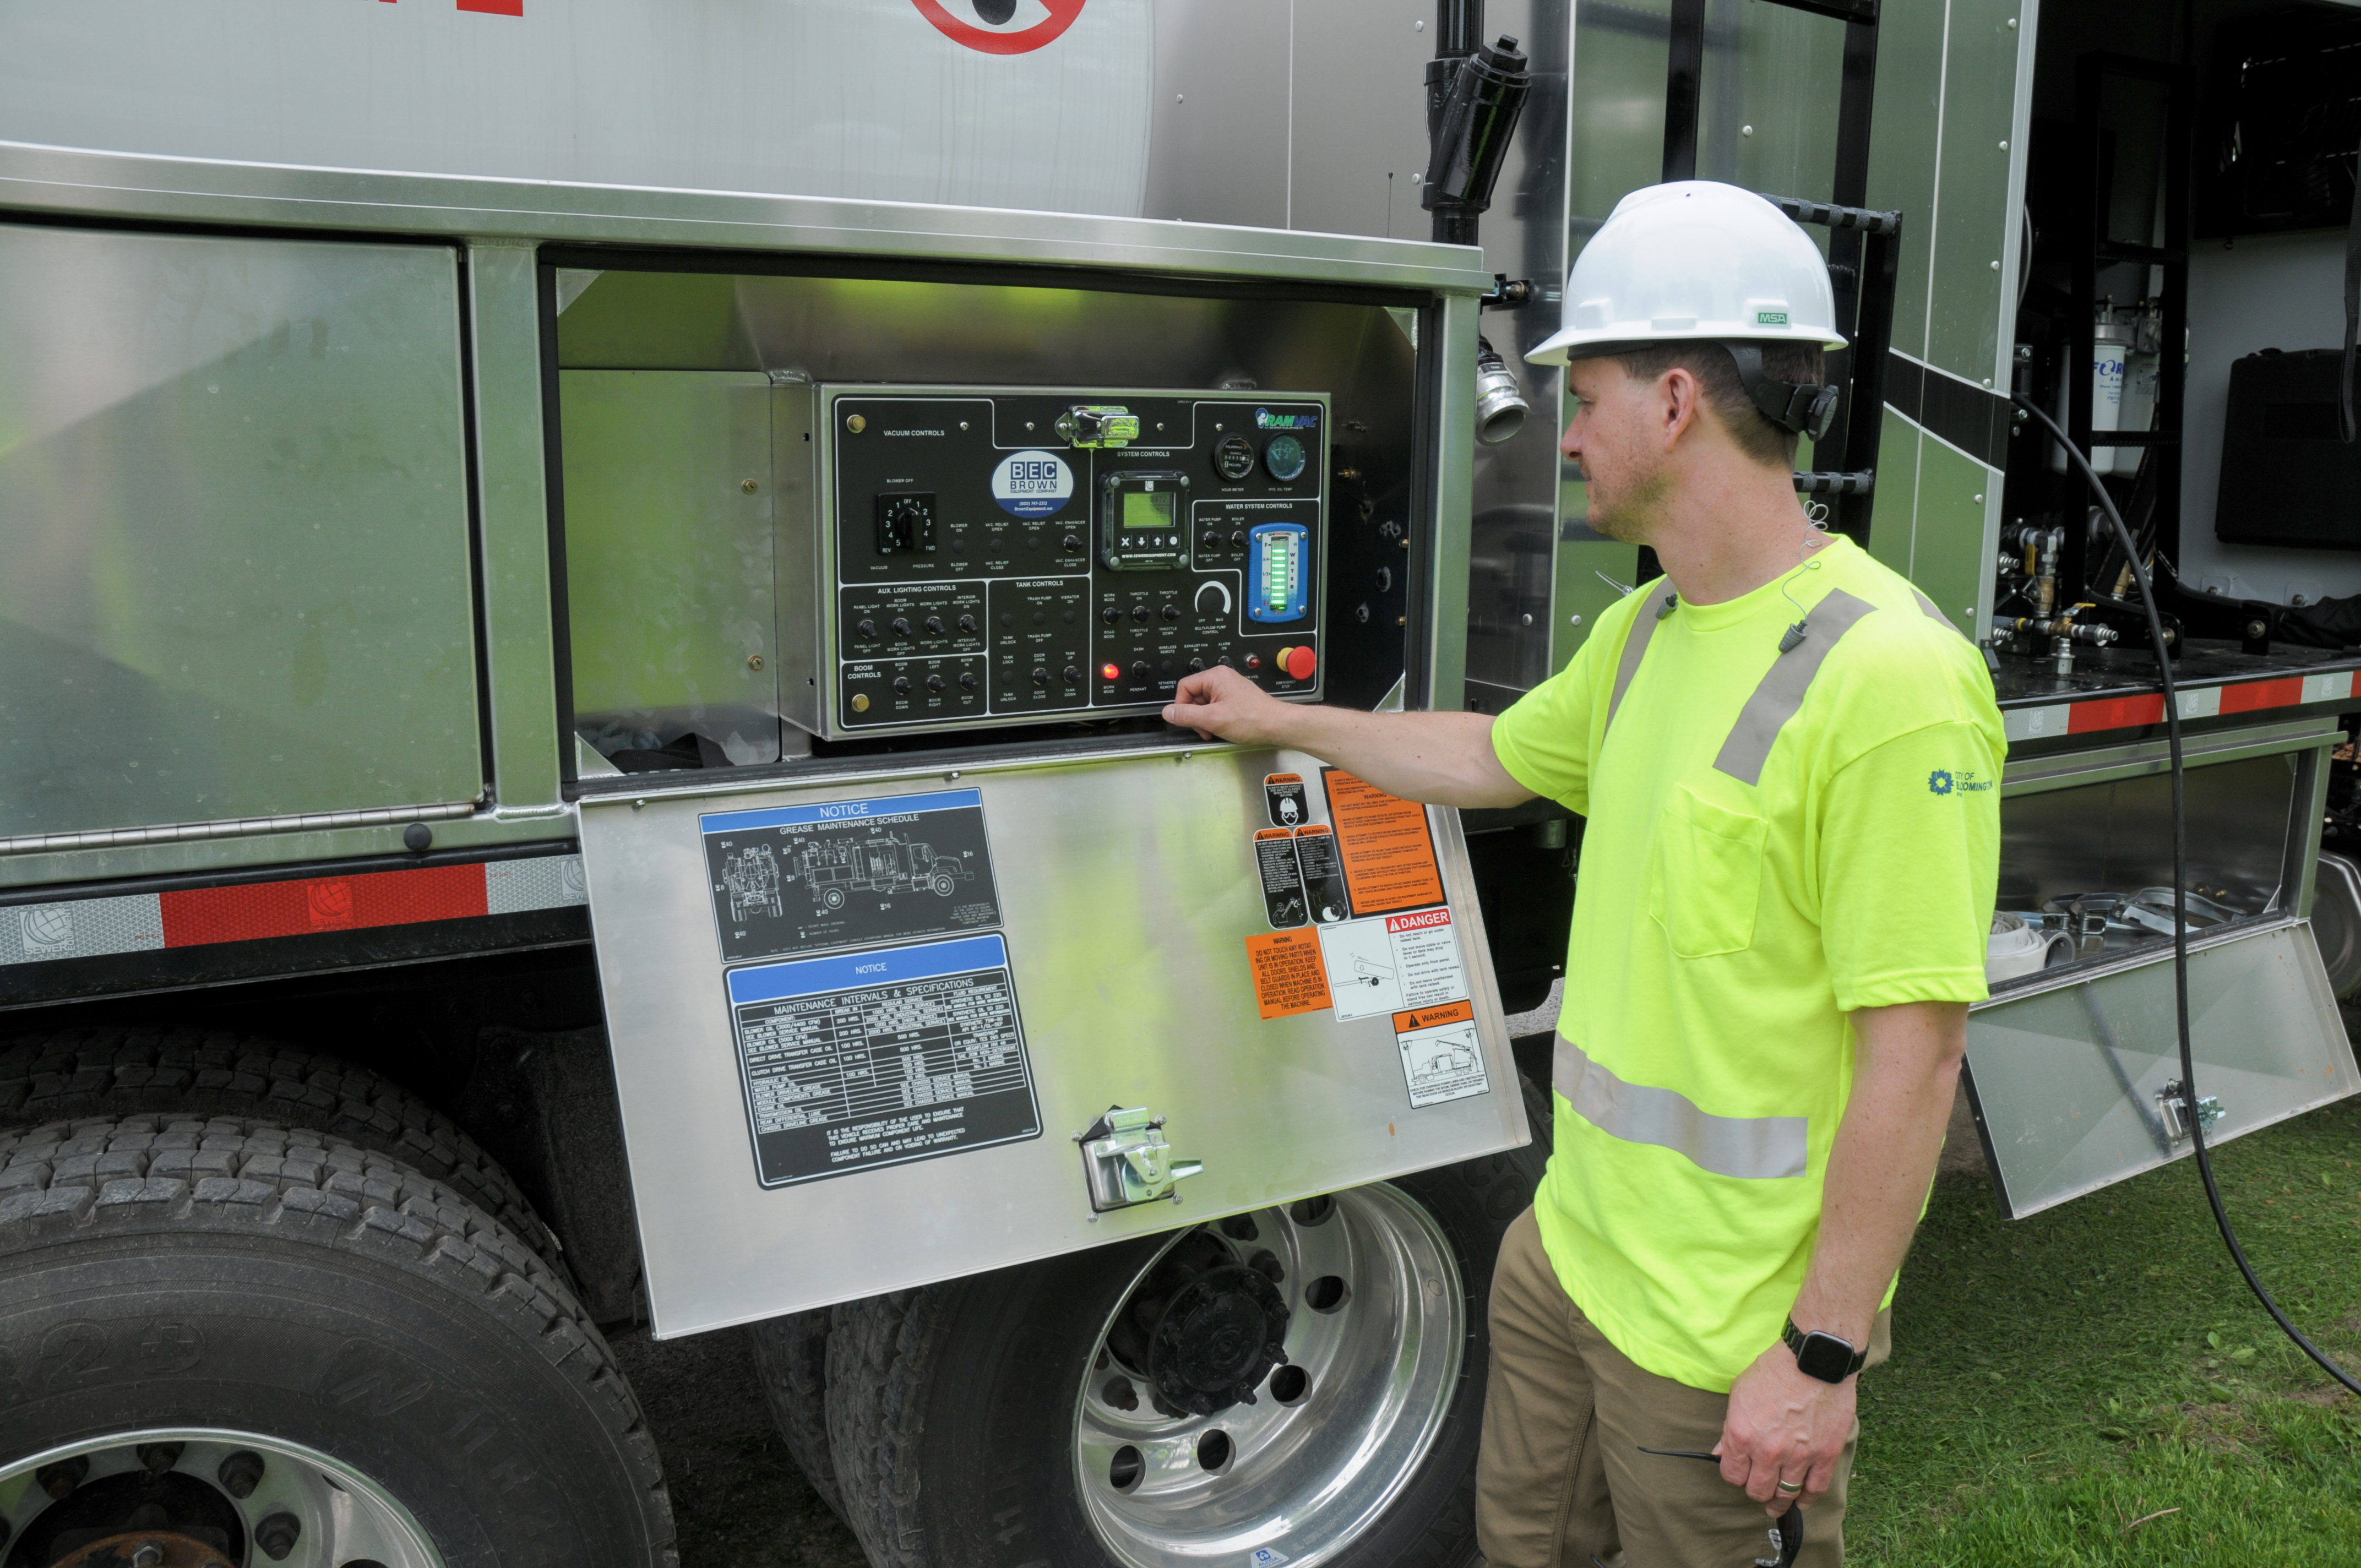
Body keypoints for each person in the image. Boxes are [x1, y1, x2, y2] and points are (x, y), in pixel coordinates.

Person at [1163, 181, 2004, 1567]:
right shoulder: (1646, 629)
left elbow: (1911, 1058)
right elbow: (1494, 752)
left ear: (1674, 401)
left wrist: (1817, 1354)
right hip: (1567, 1262)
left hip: (1719, 1331)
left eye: (1586, 396)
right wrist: (1283, 716)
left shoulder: (1891, 680)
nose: (1563, 438)